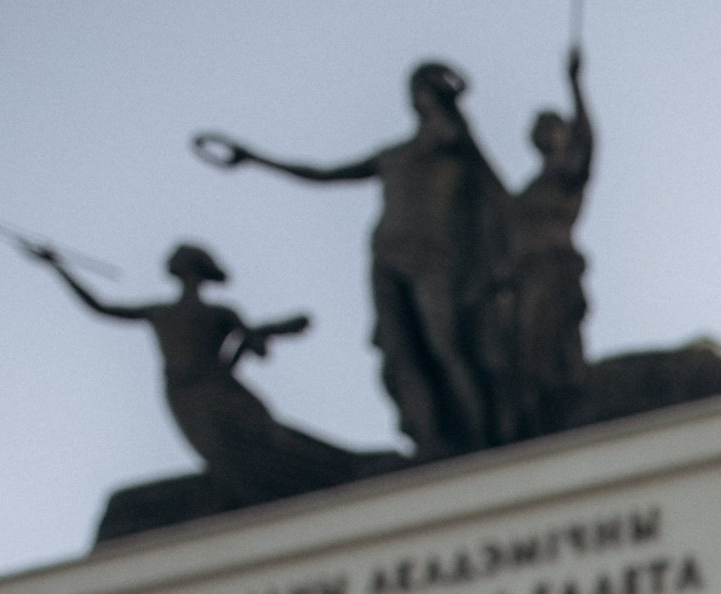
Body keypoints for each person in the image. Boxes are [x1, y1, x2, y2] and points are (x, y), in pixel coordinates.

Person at [195, 62, 506, 460]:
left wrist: (451, 89)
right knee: (401, 351)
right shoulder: (395, 155)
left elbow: (486, 179)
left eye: (425, 89)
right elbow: (324, 174)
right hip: (387, 257)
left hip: (434, 260)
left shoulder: (454, 143)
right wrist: (256, 158)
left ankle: (481, 439)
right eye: (415, 90)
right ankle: (431, 441)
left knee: (447, 348)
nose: (419, 97)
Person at [31, 241, 382, 507]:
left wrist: (266, 333)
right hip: (184, 395)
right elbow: (101, 307)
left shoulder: (220, 313)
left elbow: (252, 349)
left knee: (266, 441)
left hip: (218, 390)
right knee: (227, 456)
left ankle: (346, 468)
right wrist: (58, 267)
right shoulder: (160, 312)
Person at [493, 46, 595, 441]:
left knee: (544, 354)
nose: (542, 131)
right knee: (521, 359)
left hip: (553, 270)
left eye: (551, 125)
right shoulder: (528, 191)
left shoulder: (566, 176)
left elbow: (588, 141)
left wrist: (575, 83)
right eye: (538, 127)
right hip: (520, 279)